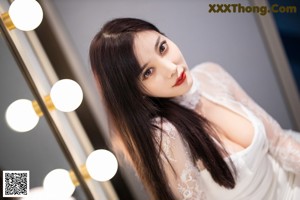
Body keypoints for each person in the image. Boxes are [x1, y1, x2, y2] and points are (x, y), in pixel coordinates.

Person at [89, 18, 300, 200]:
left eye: (162, 48)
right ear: (134, 91)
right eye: (148, 72)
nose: (172, 69)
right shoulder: (164, 135)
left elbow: (280, 142)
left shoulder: (211, 73)